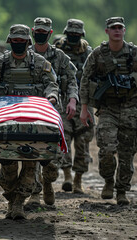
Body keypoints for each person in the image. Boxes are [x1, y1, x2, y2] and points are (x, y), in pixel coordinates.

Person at [0, 24, 59, 220]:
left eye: (21, 41)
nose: (18, 44)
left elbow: (52, 84)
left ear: (27, 42)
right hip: (6, 121)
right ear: (9, 41)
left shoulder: (40, 63)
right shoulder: (0, 63)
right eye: (14, 41)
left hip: (34, 120)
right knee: (8, 165)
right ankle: (11, 196)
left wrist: (51, 97)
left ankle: (17, 204)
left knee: (31, 164)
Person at [79, 17, 137, 205]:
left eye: (120, 27)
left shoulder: (136, 54)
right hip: (107, 109)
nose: (117, 30)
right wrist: (84, 108)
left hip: (130, 108)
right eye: (113, 28)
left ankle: (121, 191)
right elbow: (85, 79)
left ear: (124, 30)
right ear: (107, 31)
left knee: (127, 153)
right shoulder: (98, 55)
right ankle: (108, 181)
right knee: (106, 149)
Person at [27, 17, 78, 206]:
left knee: (53, 157)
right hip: (30, 111)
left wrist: (73, 100)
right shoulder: (25, 54)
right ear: (33, 31)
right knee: (30, 151)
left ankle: (48, 182)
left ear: (50, 33)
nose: (40, 33)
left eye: (44, 31)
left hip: (53, 112)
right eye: (37, 30)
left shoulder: (60, 57)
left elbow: (72, 80)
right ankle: (34, 193)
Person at [55, 19, 95, 193]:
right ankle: (67, 176)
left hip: (83, 101)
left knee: (82, 142)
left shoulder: (88, 52)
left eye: (76, 35)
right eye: (70, 34)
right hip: (63, 99)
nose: (73, 37)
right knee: (63, 137)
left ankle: (78, 178)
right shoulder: (58, 50)